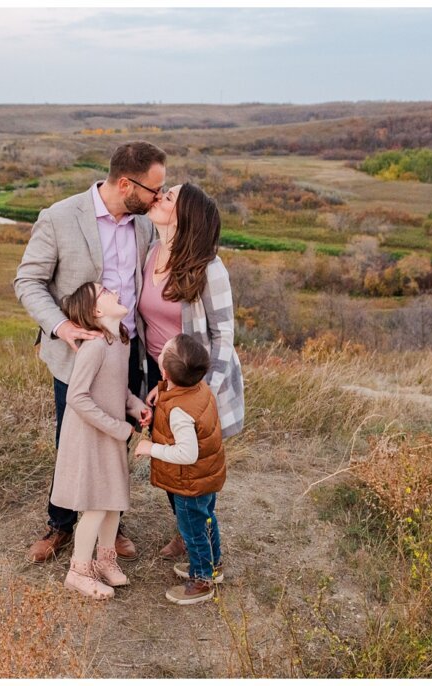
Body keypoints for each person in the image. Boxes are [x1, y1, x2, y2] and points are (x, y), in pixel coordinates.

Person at [14, 141, 167, 563]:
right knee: (74, 440)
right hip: (77, 354)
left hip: (128, 351)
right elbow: (28, 282)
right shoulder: (60, 217)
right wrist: (62, 327)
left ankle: (108, 529)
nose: (158, 198)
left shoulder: (144, 224)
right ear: (125, 183)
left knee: (115, 438)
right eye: (154, 189)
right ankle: (60, 524)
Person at [136, 182, 244, 560]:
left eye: (169, 197)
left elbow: (223, 336)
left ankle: (204, 554)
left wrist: (203, 394)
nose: (160, 197)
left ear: (186, 217)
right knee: (170, 460)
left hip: (193, 382)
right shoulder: (150, 252)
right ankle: (187, 534)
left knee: (194, 471)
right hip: (158, 374)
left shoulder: (209, 269)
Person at [50, 282, 150, 599]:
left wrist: (137, 407)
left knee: (112, 503)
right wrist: (118, 428)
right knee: (94, 505)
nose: (114, 291)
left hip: (108, 432)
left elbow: (118, 391)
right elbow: (77, 397)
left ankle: (105, 561)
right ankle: (78, 571)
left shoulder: (120, 342)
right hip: (89, 436)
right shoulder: (93, 348)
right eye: (104, 291)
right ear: (96, 311)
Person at [134, 334, 224, 605]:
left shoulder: (179, 410)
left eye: (165, 349)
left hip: (189, 482)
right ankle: (213, 565)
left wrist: (150, 448)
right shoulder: (196, 388)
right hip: (205, 476)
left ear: (164, 370)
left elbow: (187, 452)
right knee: (206, 519)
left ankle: (201, 580)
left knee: (193, 530)